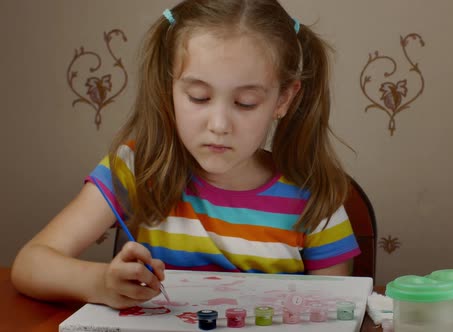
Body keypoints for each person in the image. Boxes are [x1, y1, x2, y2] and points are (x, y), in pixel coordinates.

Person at [11, 0, 360, 309]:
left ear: (283, 100)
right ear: (168, 88)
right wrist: (102, 283)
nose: (219, 124)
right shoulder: (136, 169)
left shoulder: (313, 198)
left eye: (245, 103)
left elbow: (338, 312)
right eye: (198, 97)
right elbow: (31, 264)